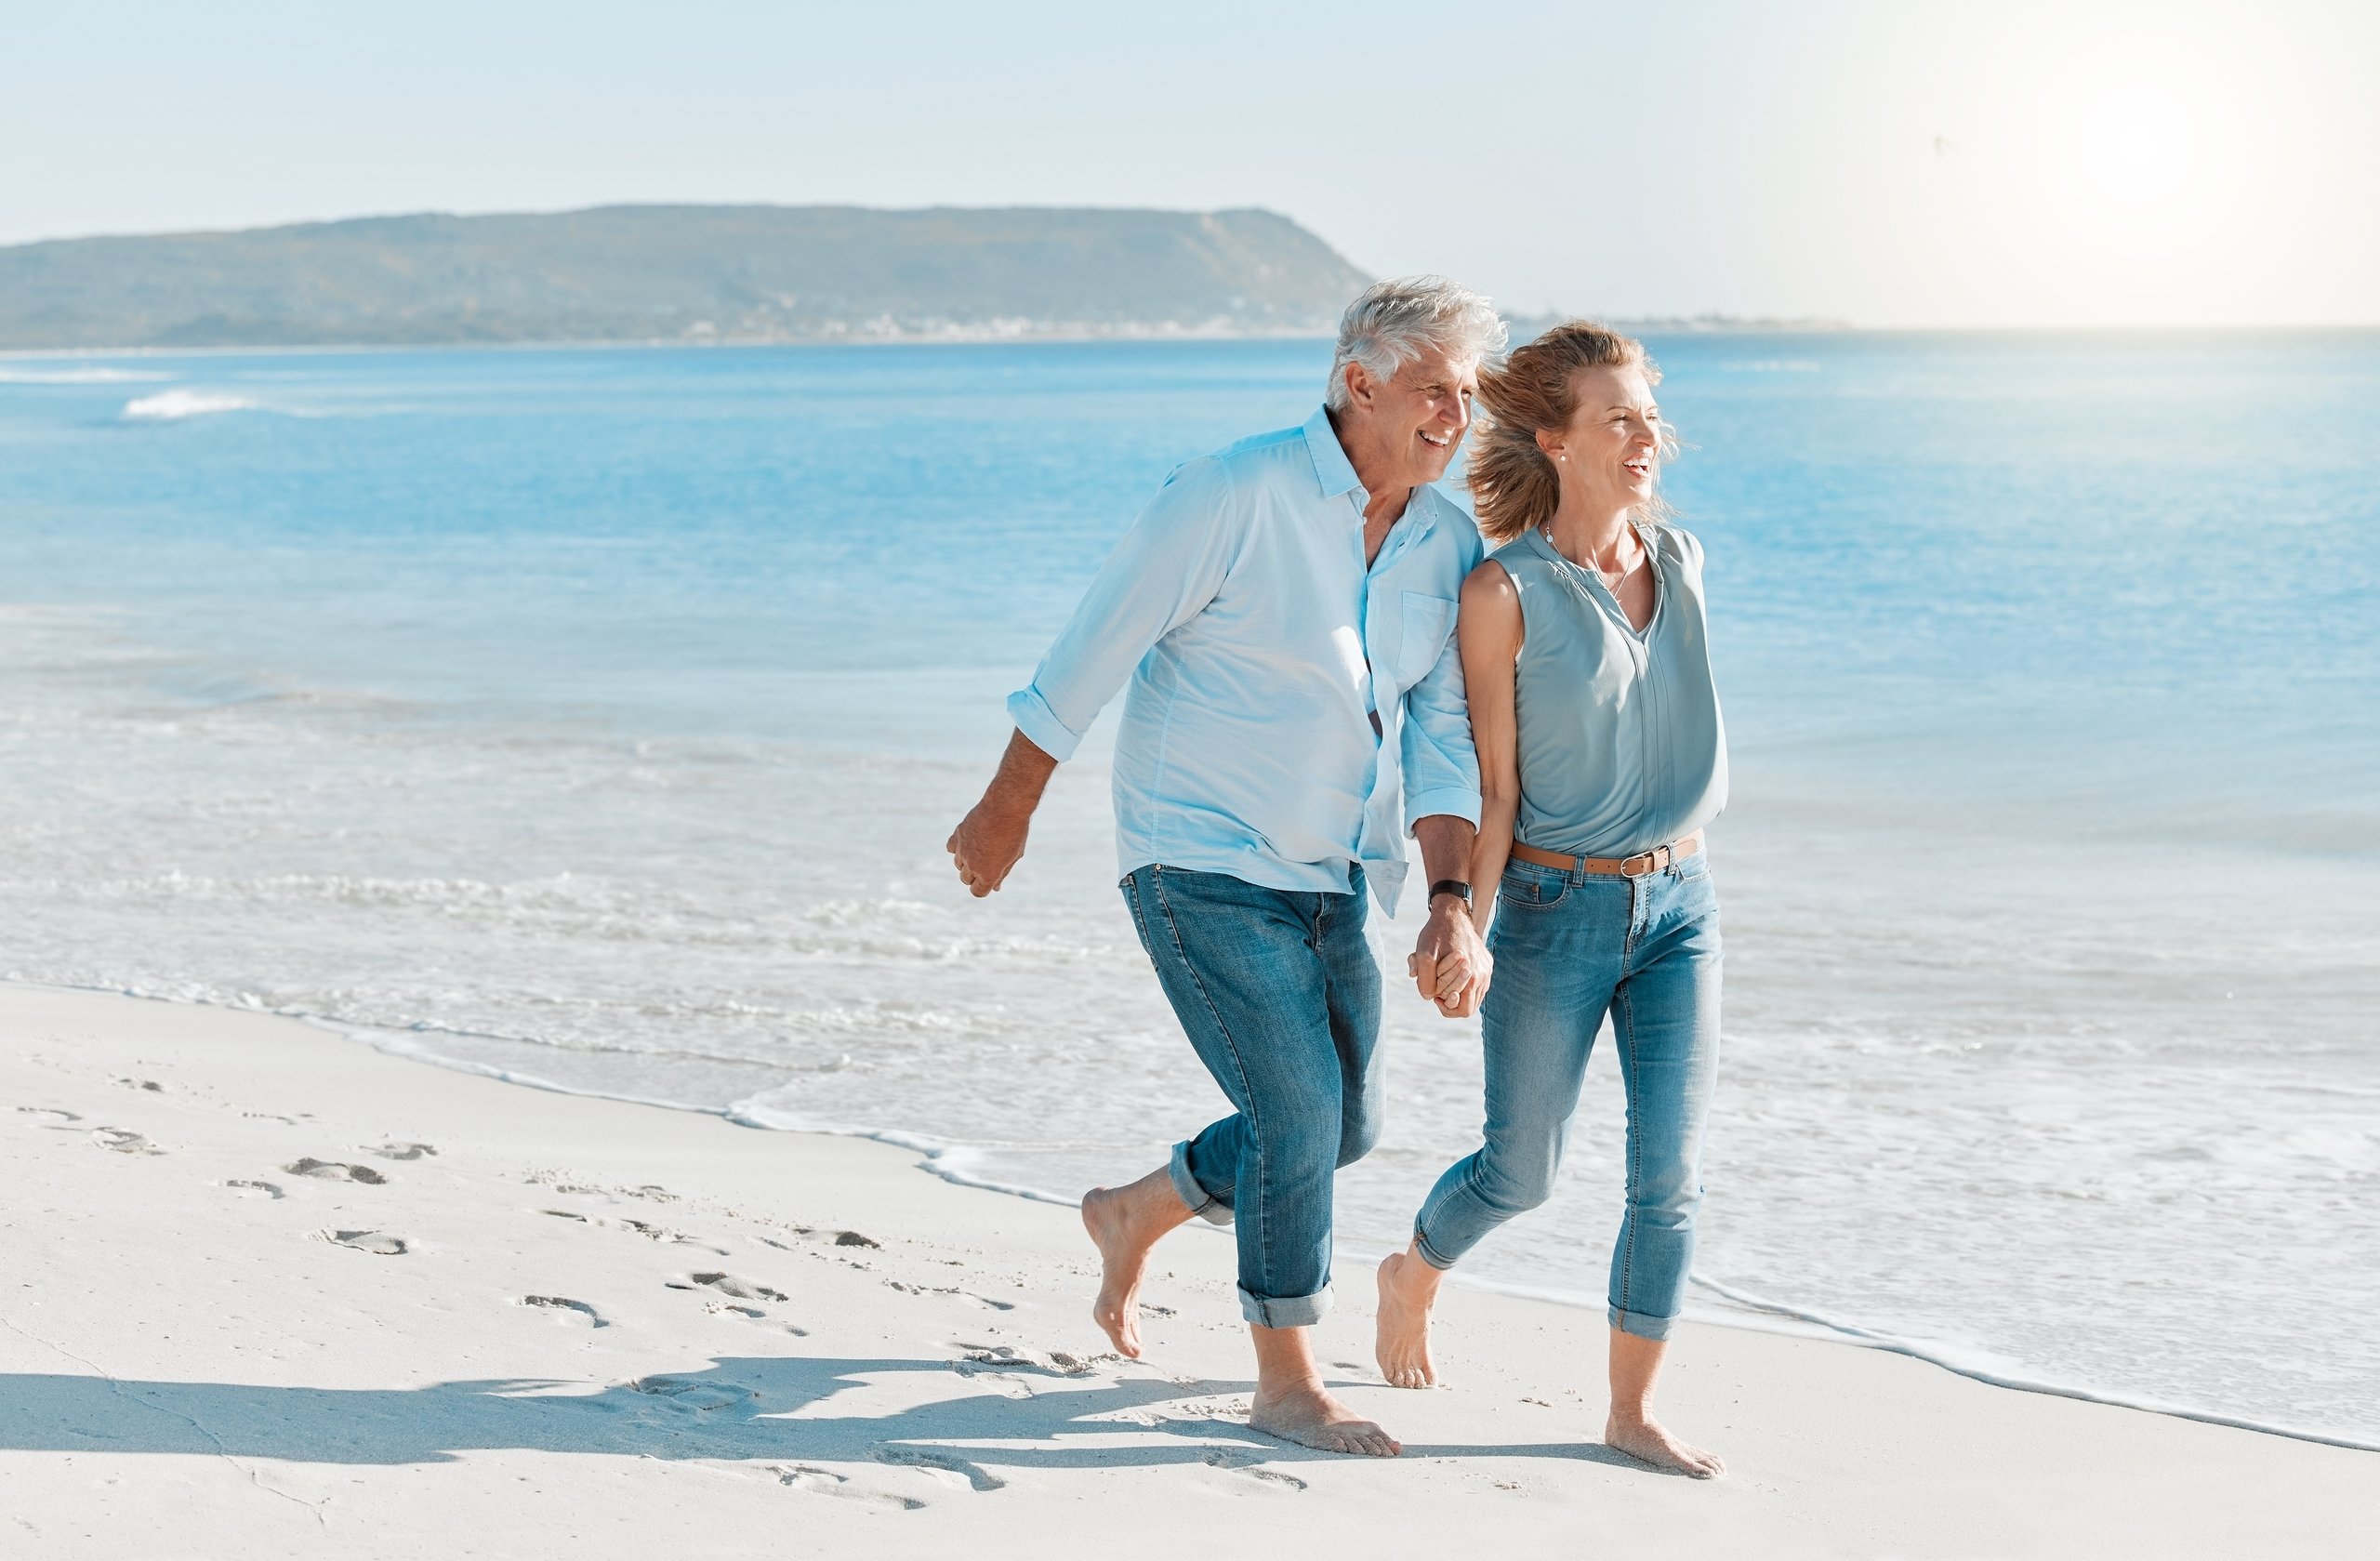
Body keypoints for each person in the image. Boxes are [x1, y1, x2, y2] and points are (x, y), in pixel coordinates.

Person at [945, 277, 1507, 1457]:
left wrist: (1452, 899)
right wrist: (1007, 806)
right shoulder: (1233, 492)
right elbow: (1092, 646)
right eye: (1433, 390)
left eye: (1468, 395)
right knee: (1295, 1110)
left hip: (1329, 872)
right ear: (1357, 384)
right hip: (1193, 852)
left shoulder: (1444, 541)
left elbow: (1442, 734)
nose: (1455, 416)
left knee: (1343, 1125)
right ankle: (1285, 1378)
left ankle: (1136, 1209)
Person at [1373, 321, 1731, 1478]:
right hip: (1554, 908)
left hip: (1680, 907)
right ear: (1555, 438)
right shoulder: (1502, 591)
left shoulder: (1682, 560)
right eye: (1618, 417)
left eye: (1649, 416)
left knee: (1668, 1179)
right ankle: (1412, 1269)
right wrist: (1462, 922)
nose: (1644, 437)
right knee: (1519, 1171)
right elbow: (1496, 786)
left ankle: (1630, 1411)